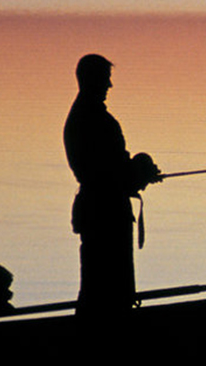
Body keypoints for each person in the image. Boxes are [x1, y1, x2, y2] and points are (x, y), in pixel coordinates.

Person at [64, 54, 160, 317]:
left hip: (97, 210)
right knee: (108, 288)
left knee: (99, 286)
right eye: (106, 79)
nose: (110, 86)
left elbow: (111, 170)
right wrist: (141, 172)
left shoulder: (84, 116)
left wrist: (138, 172)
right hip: (105, 214)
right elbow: (111, 173)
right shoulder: (96, 121)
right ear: (93, 80)